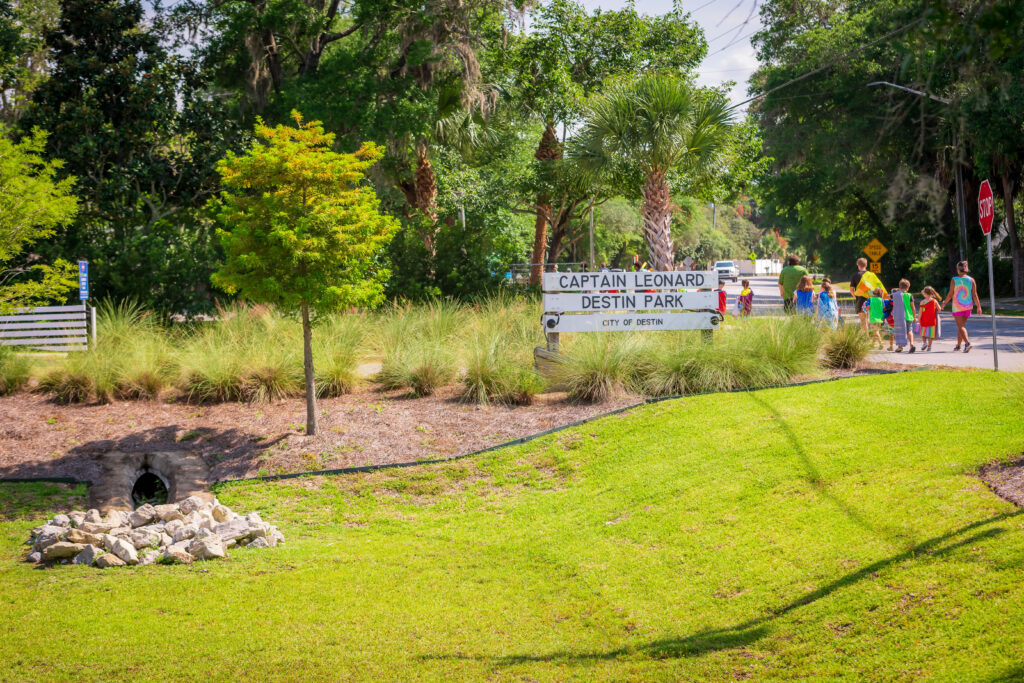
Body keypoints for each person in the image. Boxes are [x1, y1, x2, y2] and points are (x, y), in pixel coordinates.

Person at [942, 261, 982, 352]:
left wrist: (944, 303)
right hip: (968, 306)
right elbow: (975, 294)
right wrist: (979, 306)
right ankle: (958, 345)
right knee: (961, 326)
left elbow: (950, 294)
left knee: (961, 326)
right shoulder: (971, 280)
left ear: (958, 269)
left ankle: (967, 344)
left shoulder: (954, 279)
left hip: (957, 306)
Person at [891, 279, 917, 353]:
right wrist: (914, 317)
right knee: (909, 331)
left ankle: (900, 347)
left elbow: (887, 297)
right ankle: (911, 344)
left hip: (899, 317)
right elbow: (913, 307)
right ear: (908, 287)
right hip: (908, 316)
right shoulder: (909, 295)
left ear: (899, 286)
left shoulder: (895, 295)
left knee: (899, 331)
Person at [918, 286, 942, 351]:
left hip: (924, 320)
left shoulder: (922, 302)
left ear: (925, 293)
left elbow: (920, 312)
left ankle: (924, 343)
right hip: (932, 320)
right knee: (931, 334)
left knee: (923, 333)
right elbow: (939, 309)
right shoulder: (935, 301)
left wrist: (918, 319)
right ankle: (929, 347)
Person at [849, 257, 869, 332]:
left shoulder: (855, 275)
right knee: (868, 321)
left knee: (863, 322)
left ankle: (866, 339)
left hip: (860, 301)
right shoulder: (871, 275)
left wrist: (856, 297)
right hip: (871, 301)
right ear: (866, 265)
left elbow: (851, 289)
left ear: (858, 265)